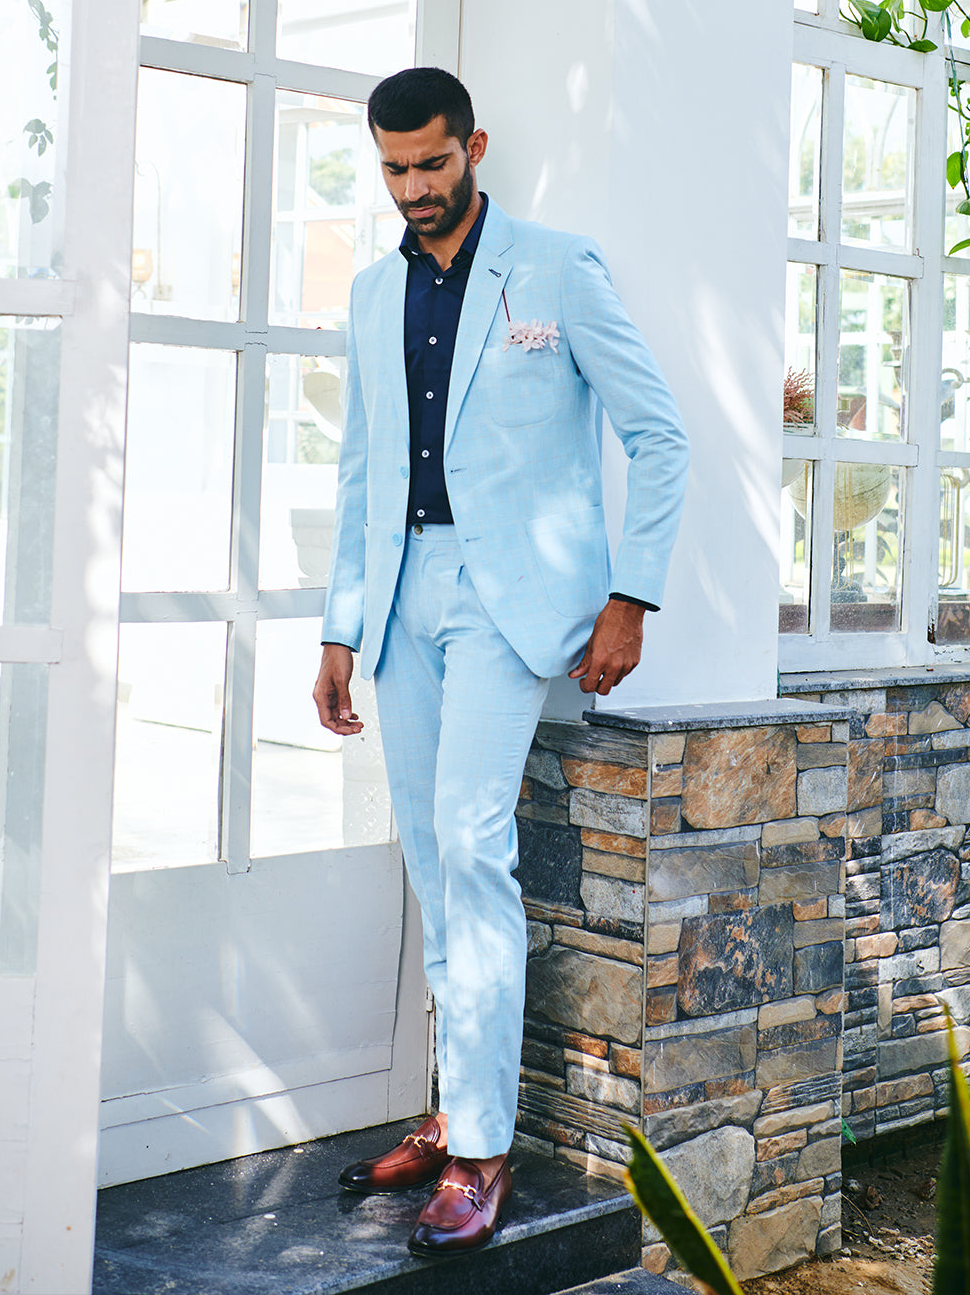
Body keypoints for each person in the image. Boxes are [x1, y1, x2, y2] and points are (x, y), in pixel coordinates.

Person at [312, 67, 688, 1258]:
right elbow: (362, 472)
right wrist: (340, 625)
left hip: (507, 602)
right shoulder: (374, 292)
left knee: (473, 846)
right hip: (401, 597)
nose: (414, 187)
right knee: (433, 856)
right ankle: (454, 1108)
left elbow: (658, 434)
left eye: (432, 162)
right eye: (394, 168)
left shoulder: (557, 269)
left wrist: (631, 598)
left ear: (473, 147)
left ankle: (482, 1150)